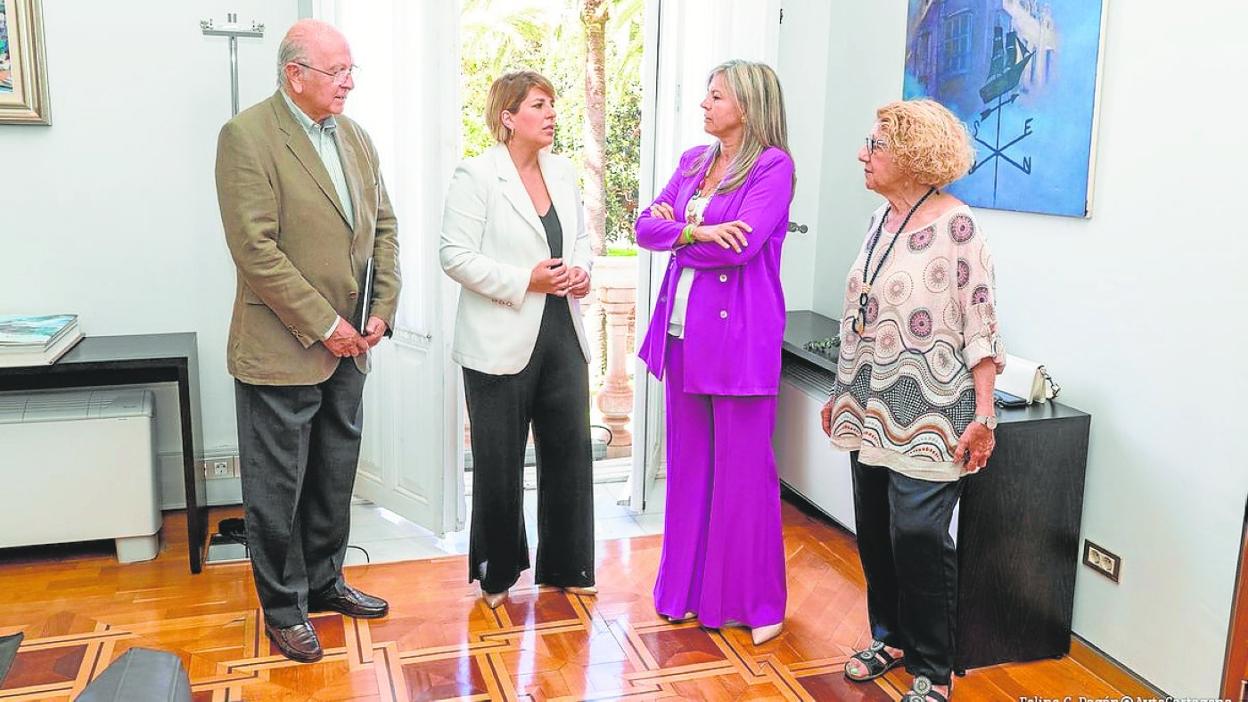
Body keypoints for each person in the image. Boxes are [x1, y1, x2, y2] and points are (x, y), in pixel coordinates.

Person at [214, 19, 400, 664]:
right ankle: (284, 607)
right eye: (337, 71)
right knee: (278, 488)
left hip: (354, 345)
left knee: (331, 474)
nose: (349, 81)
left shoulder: (356, 138)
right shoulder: (247, 136)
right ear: (296, 75)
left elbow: (385, 229)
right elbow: (254, 250)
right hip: (285, 348)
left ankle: (324, 582)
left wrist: (381, 311)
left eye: (351, 70)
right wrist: (326, 324)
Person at [821, 99, 1005, 702]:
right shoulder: (883, 219)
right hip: (870, 408)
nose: (862, 154)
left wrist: (984, 415)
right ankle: (890, 637)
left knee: (920, 536)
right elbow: (863, 316)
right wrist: (841, 393)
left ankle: (934, 668)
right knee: (875, 531)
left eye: (874, 145)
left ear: (912, 154)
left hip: (933, 414)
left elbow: (982, 327)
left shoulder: (958, 226)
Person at [635, 59, 794, 646]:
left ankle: (758, 603)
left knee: (745, 474)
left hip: (739, 340)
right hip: (682, 337)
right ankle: (684, 593)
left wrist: (678, 235)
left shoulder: (773, 167)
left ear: (747, 108)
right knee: (690, 469)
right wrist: (697, 233)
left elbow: (742, 248)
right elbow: (643, 228)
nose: (704, 105)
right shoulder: (693, 163)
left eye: (716, 96)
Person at [440, 70, 596, 609]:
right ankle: (498, 573)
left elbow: (581, 240)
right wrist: (522, 280)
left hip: (563, 332)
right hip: (498, 336)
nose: (551, 113)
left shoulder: (565, 171)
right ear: (508, 117)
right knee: (499, 459)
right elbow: (453, 255)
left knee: (570, 452)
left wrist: (581, 270)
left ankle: (568, 565)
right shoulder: (477, 175)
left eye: (553, 103)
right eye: (538, 104)